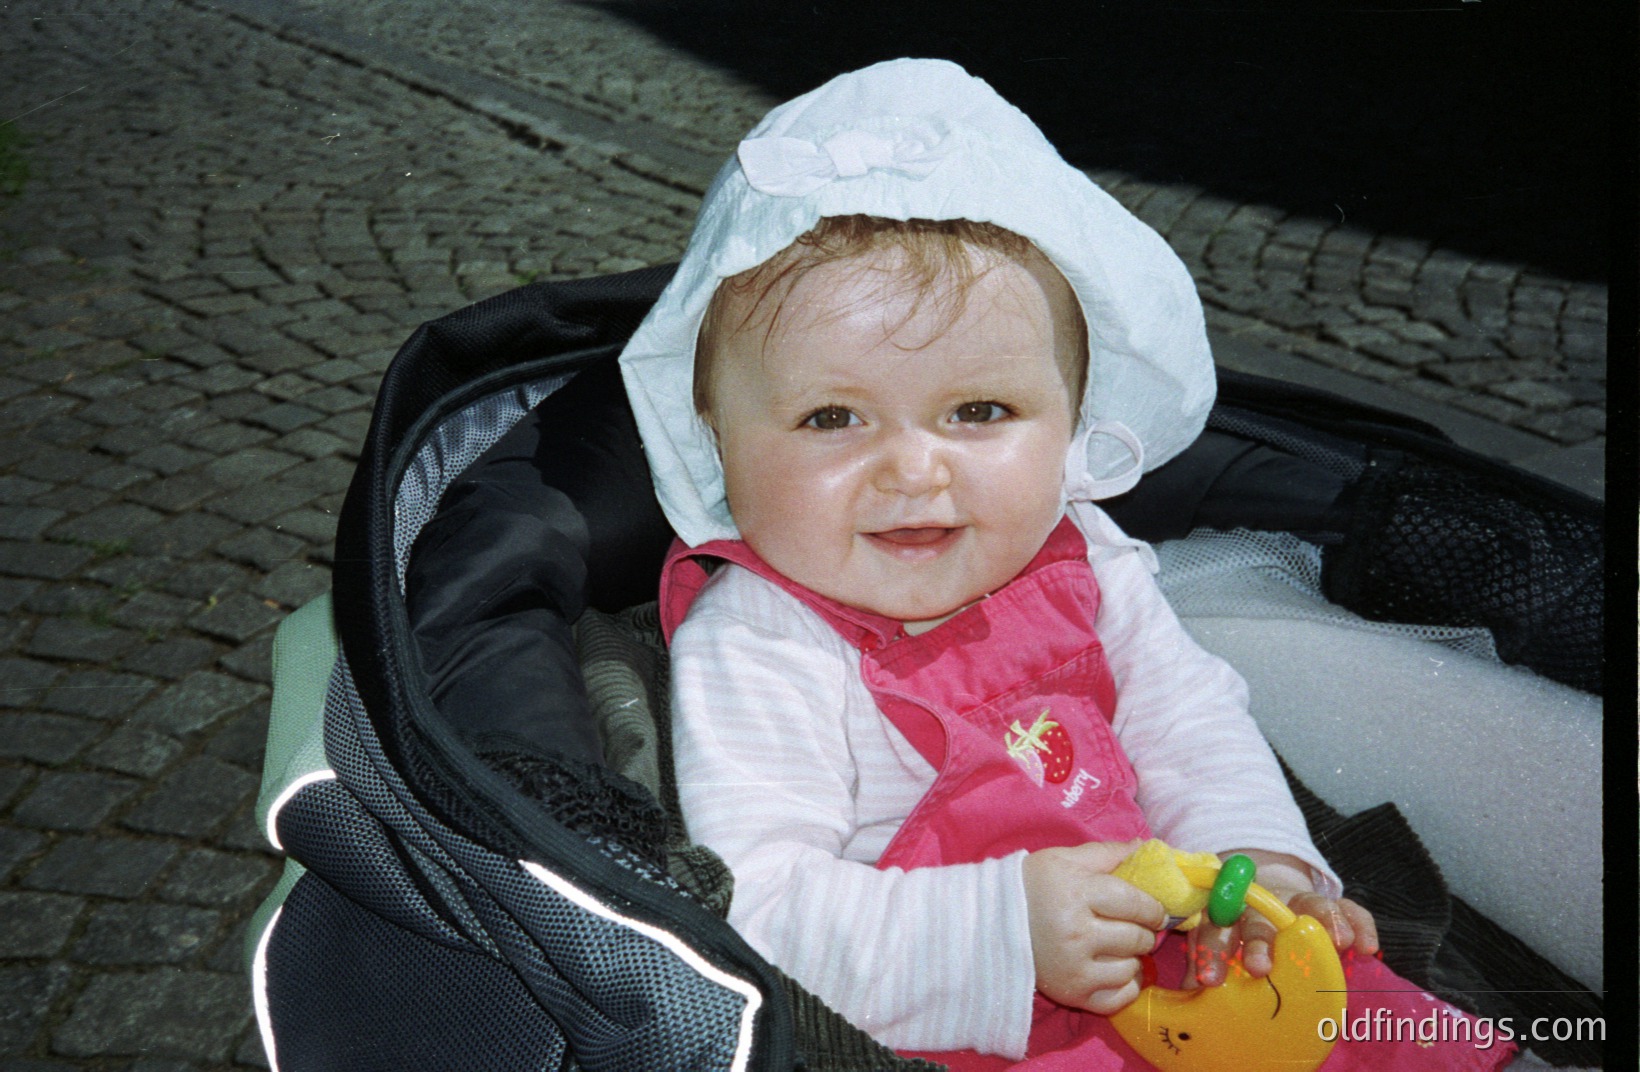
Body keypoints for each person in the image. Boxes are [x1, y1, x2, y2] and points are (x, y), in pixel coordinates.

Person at [618, 59, 1515, 1070]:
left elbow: (1188, 725)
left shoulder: (1083, 557)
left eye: (979, 412)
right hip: (952, 1015)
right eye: (831, 417)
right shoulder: (759, 637)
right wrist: (1001, 934)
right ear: (718, 438)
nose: (914, 469)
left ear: (1071, 419)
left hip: (1198, 974)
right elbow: (757, 905)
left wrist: (1253, 864)